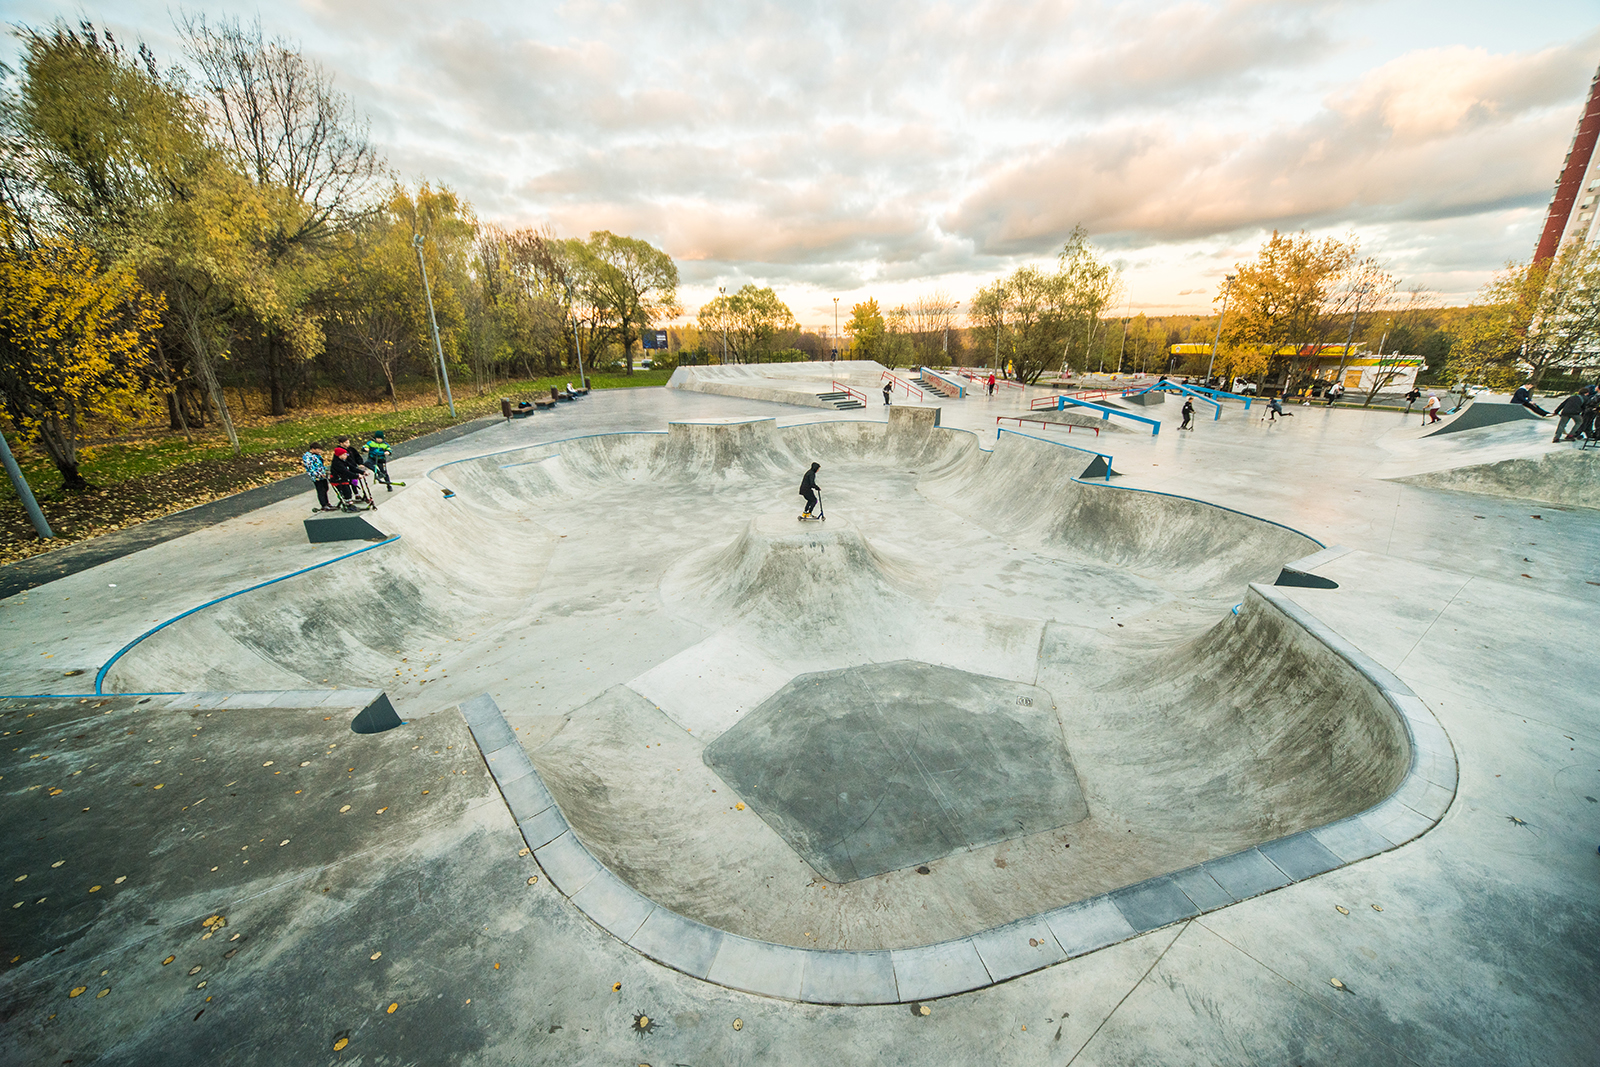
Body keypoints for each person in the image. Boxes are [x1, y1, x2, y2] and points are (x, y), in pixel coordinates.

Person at [329, 435, 368, 505]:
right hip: (338, 478)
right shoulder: (338, 462)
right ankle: (348, 502)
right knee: (346, 490)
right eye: (344, 455)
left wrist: (362, 471)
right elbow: (344, 471)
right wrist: (356, 475)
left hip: (346, 474)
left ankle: (354, 497)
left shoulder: (348, 453)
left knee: (352, 484)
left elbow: (354, 461)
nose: (346, 456)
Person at [302, 441, 334, 511]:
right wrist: (318, 474)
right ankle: (323, 504)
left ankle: (327, 502)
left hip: (323, 475)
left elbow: (321, 465)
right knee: (321, 490)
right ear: (313, 449)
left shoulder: (317, 455)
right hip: (316, 477)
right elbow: (310, 467)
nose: (320, 451)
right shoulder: (307, 456)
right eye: (318, 449)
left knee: (325, 488)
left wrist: (325, 471)